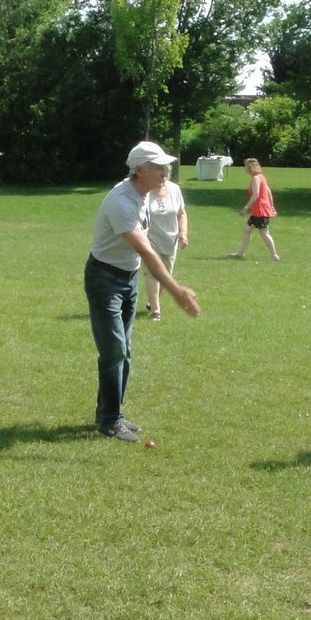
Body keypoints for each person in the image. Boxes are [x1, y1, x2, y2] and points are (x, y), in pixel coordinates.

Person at [86, 141, 200, 442]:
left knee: (124, 351)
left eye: (166, 167)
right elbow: (146, 250)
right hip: (104, 279)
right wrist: (176, 291)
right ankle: (110, 421)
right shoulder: (121, 201)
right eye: (159, 167)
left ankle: (111, 413)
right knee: (114, 350)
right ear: (139, 170)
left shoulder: (143, 194)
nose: (165, 172)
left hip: (128, 278)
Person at [142, 166, 188, 321]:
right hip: (149, 238)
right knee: (151, 272)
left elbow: (181, 213)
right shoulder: (145, 191)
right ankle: (156, 310)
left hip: (170, 238)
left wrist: (183, 233)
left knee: (165, 275)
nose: (162, 177)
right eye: (159, 173)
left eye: (165, 174)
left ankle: (152, 300)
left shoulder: (174, 189)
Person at [230, 157, 279, 260]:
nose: (244, 168)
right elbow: (269, 192)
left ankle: (274, 255)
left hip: (260, 210)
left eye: (246, 166)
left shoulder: (256, 178)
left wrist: (245, 208)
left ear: (250, 167)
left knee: (264, 233)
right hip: (257, 210)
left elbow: (256, 195)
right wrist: (272, 206)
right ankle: (240, 253)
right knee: (247, 230)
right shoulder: (261, 176)